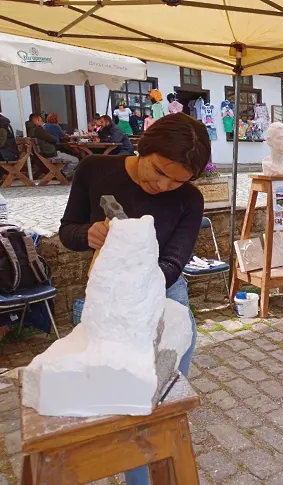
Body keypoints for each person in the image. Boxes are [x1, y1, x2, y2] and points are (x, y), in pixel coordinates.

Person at [58, 112, 211, 485]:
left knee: (158, 409)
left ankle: (166, 472)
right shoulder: (95, 169)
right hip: (108, 302)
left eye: (177, 181)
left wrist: (144, 288)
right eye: (159, 171)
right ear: (146, 146)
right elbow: (67, 231)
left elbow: (175, 259)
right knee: (125, 411)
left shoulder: (189, 199)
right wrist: (88, 234)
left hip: (164, 298)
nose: (162, 185)